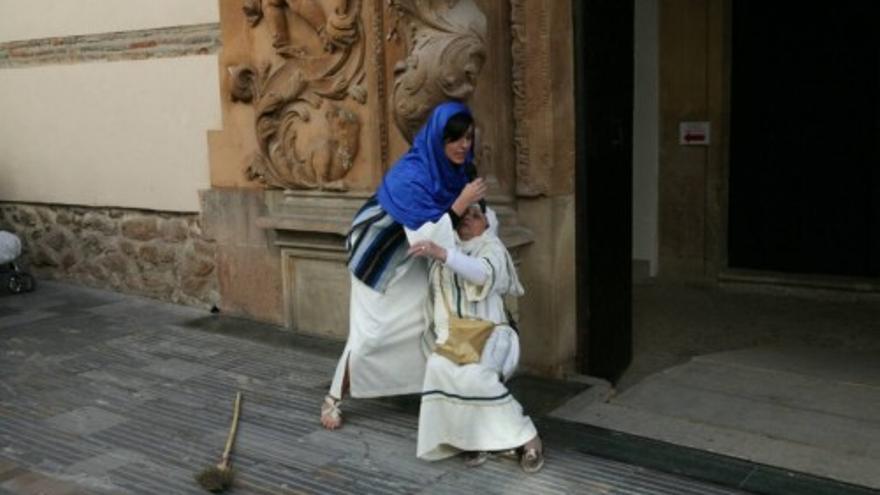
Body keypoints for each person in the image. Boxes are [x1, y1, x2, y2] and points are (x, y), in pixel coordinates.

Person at [320, 101, 487, 430]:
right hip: (379, 260)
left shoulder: (462, 171)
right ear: (437, 140)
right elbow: (425, 235)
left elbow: (469, 222)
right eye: (454, 139)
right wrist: (460, 204)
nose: (463, 146)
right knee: (370, 336)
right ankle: (333, 398)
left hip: (416, 258)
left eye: (468, 138)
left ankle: (442, 399)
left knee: (423, 324)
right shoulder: (411, 175)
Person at [408, 204, 544, 473]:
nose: (468, 219)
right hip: (456, 336)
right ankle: (471, 439)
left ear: (487, 224)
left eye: (476, 215)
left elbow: (481, 272)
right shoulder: (446, 246)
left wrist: (443, 254)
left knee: (476, 376)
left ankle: (529, 438)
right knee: (438, 366)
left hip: (494, 334)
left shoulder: (492, 247)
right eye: (464, 215)